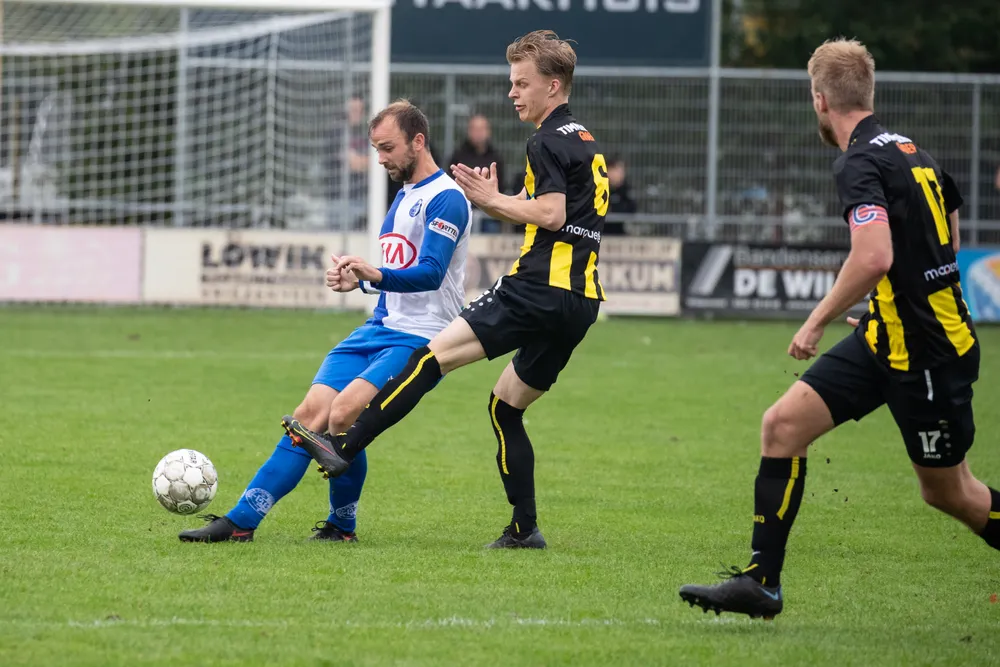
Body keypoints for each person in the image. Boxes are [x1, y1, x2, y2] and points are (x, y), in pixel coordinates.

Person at [679, 38, 991, 619]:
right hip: (884, 338)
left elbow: (873, 256)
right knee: (782, 426)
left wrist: (815, 320)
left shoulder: (858, 161)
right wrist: (903, 295)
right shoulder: (910, 150)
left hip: (929, 353)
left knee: (951, 494)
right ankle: (761, 583)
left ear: (820, 100)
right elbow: (948, 217)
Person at [280, 29, 608, 549]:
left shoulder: (543, 139)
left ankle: (344, 445)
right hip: (581, 301)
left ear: (553, 85)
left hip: (536, 289)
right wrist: (503, 198)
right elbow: (559, 210)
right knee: (505, 407)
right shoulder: (583, 139)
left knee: (428, 358)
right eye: (511, 83)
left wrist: (489, 200)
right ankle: (524, 530)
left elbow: (550, 214)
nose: (512, 93)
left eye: (521, 83)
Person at [179, 100, 472, 543]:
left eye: (387, 147)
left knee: (343, 415)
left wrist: (374, 274)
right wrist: (360, 282)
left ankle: (339, 523)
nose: (380, 159)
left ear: (418, 141)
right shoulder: (404, 196)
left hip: (421, 339)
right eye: (376, 149)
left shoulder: (447, 198)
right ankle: (243, 522)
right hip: (379, 327)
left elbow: (431, 273)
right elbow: (398, 275)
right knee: (308, 415)